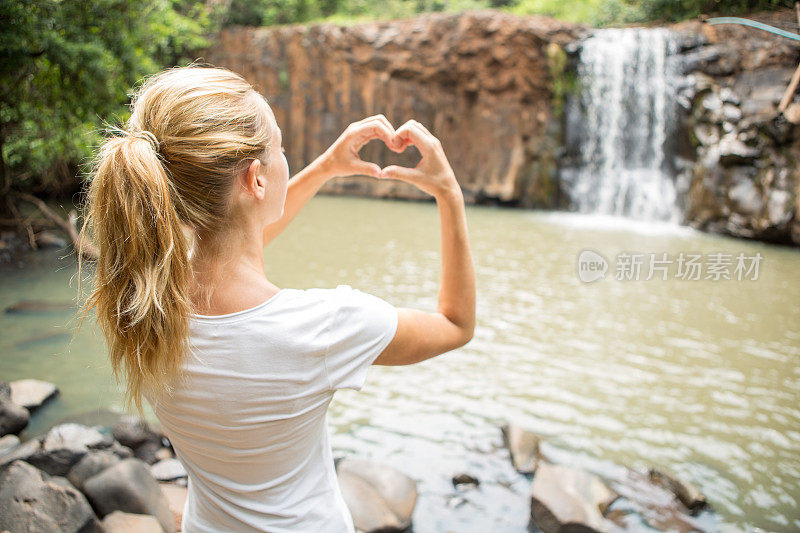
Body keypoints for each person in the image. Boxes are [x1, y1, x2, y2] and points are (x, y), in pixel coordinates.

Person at [79, 64, 475, 532]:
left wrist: (327, 166)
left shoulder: (143, 301)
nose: (286, 157)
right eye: (281, 148)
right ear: (256, 180)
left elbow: (235, 249)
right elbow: (455, 325)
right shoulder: (324, 326)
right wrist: (449, 193)